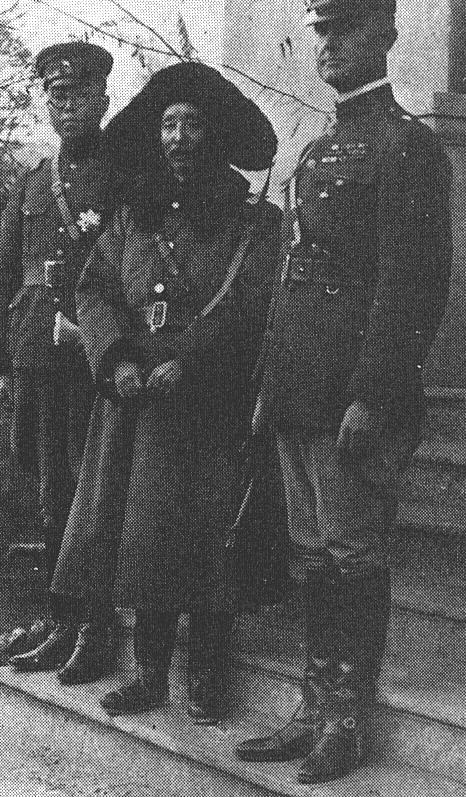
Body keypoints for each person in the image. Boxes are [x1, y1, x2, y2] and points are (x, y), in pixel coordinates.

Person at [236, 0, 452, 784]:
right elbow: (294, 281)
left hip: (353, 401)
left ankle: (347, 718)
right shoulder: (319, 147)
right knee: (310, 554)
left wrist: (375, 391)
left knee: (354, 552)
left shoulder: (410, 146)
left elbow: (412, 286)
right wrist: (269, 380)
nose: (328, 43)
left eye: (345, 29)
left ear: (386, 36)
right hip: (297, 391)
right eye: (322, 29)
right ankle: (312, 704)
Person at [50, 61, 280, 723]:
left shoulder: (249, 220)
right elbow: (95, 289)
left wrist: (189, 359)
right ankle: (150, 674)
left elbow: (252, 302)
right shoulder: (132, 215)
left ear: (213, 135)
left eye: (193, 124)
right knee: (142, 538)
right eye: (169, 124)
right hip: (135, 402)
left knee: (206, 543)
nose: (179, 136)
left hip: (207, 405)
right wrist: (115, 355)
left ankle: (207, 677)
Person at [0, 42, 128, 678]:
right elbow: (7, 268)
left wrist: (99, 334)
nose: (69, 105)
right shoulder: (30, 179)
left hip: (90, 356)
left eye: (81, 94)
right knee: (46, 486)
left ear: (103, 98)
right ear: (46, 102)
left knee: (90, 491)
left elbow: (134, 268)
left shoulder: (127, 172)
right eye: (57, 94)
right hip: (32, 351)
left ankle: (97, 626)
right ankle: (57, 621)